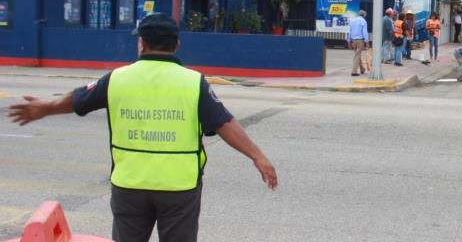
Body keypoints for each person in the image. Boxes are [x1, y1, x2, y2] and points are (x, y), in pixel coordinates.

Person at [6, 13, 277, 242]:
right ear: (177, 44)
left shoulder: (117, 78)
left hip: (129, 184)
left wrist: (44, 108)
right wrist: (258, 157)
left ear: (142, 43)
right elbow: (224, 123)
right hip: (178, 187)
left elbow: (77, 99)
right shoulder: (193, 82)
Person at [347, 10, 369, 76]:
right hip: (360, 40)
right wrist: (367, 41)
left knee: (357, 55)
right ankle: (354, 72)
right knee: (357, 55)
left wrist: (349, 41)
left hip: (353, 40)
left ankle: (362, 69)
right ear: (364, 15)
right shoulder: (363, 21)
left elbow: (349, 31)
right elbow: (365, 32)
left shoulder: (352, 21)